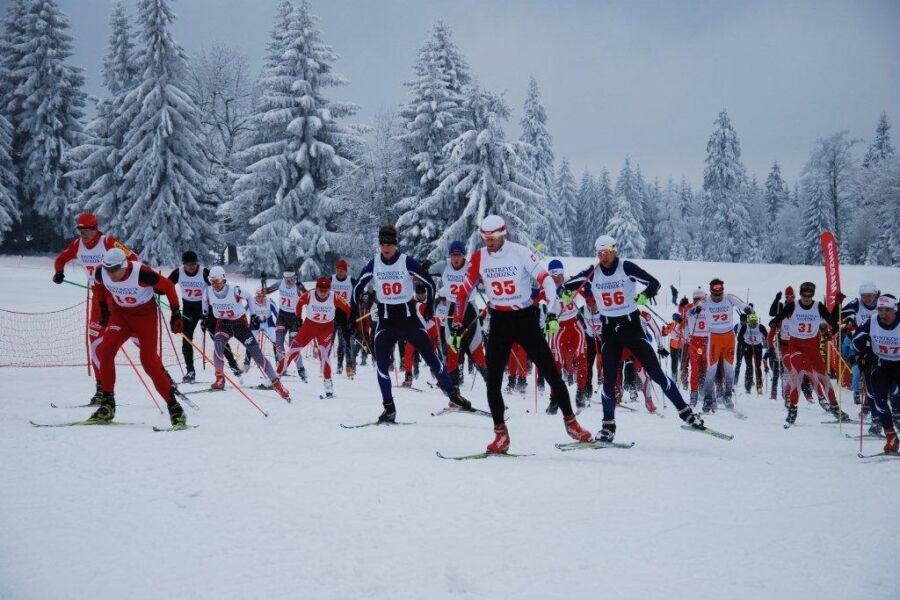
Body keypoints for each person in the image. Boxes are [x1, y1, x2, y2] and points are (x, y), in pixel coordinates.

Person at [451, 215, 593, 452]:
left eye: (493, 238)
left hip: (525, 318)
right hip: (499, 320)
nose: (489, 242)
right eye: (485, 238)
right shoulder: (479, 257)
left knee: (551, 372)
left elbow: (546, 279)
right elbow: (463, 292)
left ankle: (571, 422)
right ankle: (500, 435)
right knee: (493, 380)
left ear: (503, 233)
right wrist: (456, 323)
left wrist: (552, 308)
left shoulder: (519, 252)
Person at [564, 234, 704, 442]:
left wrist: (645, 295)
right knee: (608, 381)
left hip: (631, 328)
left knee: (657, 374)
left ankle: (686, 413)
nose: (604, 257)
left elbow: (654, 283)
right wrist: (568, 291)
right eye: (600, 253)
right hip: (609, 332)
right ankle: (608, 426)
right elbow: (570, 283)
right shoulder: (593, 272)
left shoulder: (626, 267)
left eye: (608, 252)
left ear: (615, 251)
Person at [352, 224, 471, 423]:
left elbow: (430, 284)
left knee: (432, 359)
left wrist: (431, 308)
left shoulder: (406, 261)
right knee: (382, 367)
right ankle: (389, 409)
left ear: (396, 244)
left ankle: (453, 395)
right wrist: (352, 314)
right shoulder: (374, 264)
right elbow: (357, 287)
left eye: (390, 243)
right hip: (386, 321)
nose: (386, 247)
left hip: (409, 319)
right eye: (383, 243)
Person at [87, 248, 187, 428]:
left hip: (144, 316)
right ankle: (107, 405)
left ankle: (175, 408)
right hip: (120, 315)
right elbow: (99, 287)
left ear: (124, 265)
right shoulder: (102, 273)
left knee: (148, 361)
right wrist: (103, 308)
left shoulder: (141, 273)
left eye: (115, 269)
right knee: (105, 351)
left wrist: (176, 313)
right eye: (108, 269)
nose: (111, 273)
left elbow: (168, 286)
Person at [53, 212, 138, 403]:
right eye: (80, 230)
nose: (82, 234)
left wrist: (132, 281)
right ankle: (101, 389)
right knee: (95, 343)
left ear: (95, 228)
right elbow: (61, 259)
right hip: (97, 298)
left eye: (86, 230)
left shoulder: (108, 241)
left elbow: (134, 258)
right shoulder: (77, 245)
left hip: (117, 296)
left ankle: (164, 376)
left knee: (136, 337)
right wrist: (59, 272)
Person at [205, 267, 290, 400]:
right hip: (223, 324)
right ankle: (220, 379)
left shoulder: (234, 290)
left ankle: (277, 384)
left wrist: (254, 314)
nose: (215, 284)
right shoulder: (208, 291)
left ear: (224, 279)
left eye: (218, 281)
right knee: (218, 346)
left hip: (240, 325)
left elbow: (250, 297)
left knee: (257, 355)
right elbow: (205, 303)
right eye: (212, 281)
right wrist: (205, 317)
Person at [771, 281, 847, 425]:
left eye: (809, 294)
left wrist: (837, 309)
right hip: (795, 346)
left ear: (812, 294)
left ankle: (835, 408)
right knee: (798, 375)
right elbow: (779, 316)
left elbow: (831, 319)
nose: (806, 297)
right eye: (804, 294)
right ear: (800, 294)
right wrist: (773, 322)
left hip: (812, 347)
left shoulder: (818, 306)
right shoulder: (793, 306)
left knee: (824, 377)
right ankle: (793, 409)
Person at [168, 251, 238, 382]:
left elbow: (219, 286)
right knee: (186, 339)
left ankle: (233, 364)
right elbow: (165, 286)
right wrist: (154, 290)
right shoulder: (178, 273)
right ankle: (190, 371)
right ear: (184, 264)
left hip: (206, 307)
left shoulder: (204, 272)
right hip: (188, 309)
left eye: (194, 264)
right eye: (189, 265)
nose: (192, 267)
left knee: (217, 336)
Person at [278, 277, 351, 398]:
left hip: (326, 329)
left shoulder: (335, 296)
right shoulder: (310, 295)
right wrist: (298, 318)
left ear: (329, 289)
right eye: (320, 290)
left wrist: (348, 323)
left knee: (324, 356)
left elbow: (348, 308)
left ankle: (328, 384)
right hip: (309, 327)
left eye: (325, 290)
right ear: (316, 288)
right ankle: (275, 377)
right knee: (292, 351)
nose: (322, 293)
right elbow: (299, 302)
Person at [852, 294, 899, 453]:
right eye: (880, 310)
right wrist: (863, 356)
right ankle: (891, 437)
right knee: (879, 400)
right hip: (881, 364)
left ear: (895, 309)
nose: (883, 314)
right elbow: (856, 340)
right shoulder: (872, 321)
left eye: (887, 310)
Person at [699, 278, 752, 411]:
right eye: (715, 294)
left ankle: (727, 395)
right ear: (711, 291)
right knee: (711, 368)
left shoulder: (728, 298)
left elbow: (741, 304)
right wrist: (694, 311)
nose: (718, 296)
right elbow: (694, 308)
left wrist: (748, 309)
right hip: (714, 337)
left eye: (720, 293)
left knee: (729, 367)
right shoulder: (706, 301)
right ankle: (708, 398)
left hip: (728, 337)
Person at [441, 241, 488, 386]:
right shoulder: (444, 266)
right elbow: (423, 272)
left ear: (463, 255)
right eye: (453, 255)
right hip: (451, 310)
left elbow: (487, 280)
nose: (456, 258)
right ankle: (454, 394)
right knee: (452, 352)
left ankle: (493, 390)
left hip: (469, 310)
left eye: (459, 255)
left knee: (477, 352)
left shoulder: (471, 267)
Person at [547, 259, 591, 410]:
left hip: (574, 323)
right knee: (556, 364)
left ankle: (580, 393)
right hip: (558, 326)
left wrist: (591, 298)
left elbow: (587, 288)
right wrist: (549, 319)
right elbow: (536, 300)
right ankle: (554, 399)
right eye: (553, 275)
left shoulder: (570, 281)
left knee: (582, 359)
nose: (556, 278)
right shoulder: (547, 286)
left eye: (559, 274)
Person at [262, 266, 304, 366]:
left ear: (295, 277)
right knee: (279, 344)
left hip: (294, 318)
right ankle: (282, 366)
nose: (289, 282)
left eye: (291, 279)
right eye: (287, 279)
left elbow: (308, 299)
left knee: (293, 346)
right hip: (282, 316)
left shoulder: (299, 286)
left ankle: (300, 368)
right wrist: (263, 282)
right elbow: (266, 291)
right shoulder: (280, 283)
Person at [680, 287, 710, 407]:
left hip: (707, 340)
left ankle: (708, 396)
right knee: (695, 369)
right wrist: (687, 337)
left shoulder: (709, 306)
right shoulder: (689, 307)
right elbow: (685, 322)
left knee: (707, 369)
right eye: (696, 299)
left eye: (700, 299)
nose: (698, 301)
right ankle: (693, 396)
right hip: (694, 340)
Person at [331, 259, 357, 377]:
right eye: (338, 270)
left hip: (345, 315)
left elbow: (357, 299)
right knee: (329, 341)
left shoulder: (351, 281)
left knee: (345, 342)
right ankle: (337, 366)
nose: (339, 272)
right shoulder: (331, 280)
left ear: (346, 271)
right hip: (332, 314)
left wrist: (353, 319)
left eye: (342, 271)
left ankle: (349, 366)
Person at [244, 288, 280, 374]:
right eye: (257, 296)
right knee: (250, 340)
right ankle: (246, 363)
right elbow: (243, 313)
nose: (259, 298)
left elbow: (277, 314)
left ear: (264, 296)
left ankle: (278, 361)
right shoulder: (251, 302)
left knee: (274, 339)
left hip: (268, 323)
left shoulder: (269, 302)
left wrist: (279, 325)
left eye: (261, 296)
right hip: (256, 324)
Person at [737, 313, 768, 394]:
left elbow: (767, 335)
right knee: (749, 367)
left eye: (754, 321)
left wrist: (766, 341)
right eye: (751, 321)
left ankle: (759, 387)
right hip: (747, 347)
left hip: (757, 346)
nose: (753, 323)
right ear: (749, 321)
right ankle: (748, 387)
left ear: (756, 321)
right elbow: (739, 337)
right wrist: (744, 344)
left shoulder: (760, 327)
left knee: (758, 367)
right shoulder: (745, 327)